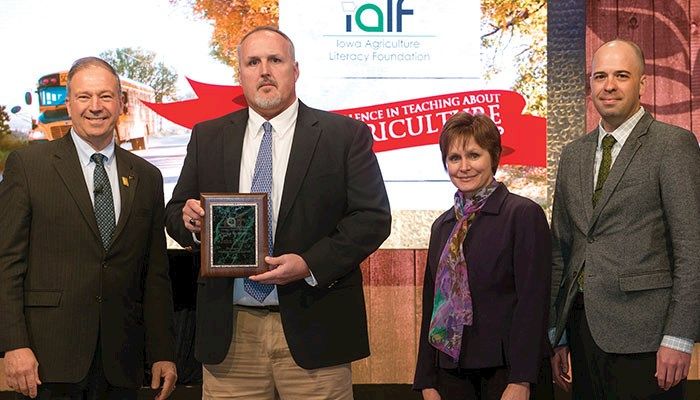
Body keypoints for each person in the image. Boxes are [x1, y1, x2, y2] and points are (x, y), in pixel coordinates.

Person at [164, 26, 391, 399]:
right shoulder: (207, 136)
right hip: (230, 336)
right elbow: (176, 211)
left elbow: (372, 218)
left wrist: (309, 264)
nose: (264, 70)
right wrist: (189, 222)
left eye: (275, 60)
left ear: (295, 70)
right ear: (241, 75)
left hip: (316, 328)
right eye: (253, 62)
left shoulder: (344, 135)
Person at [0, 57, 177, 400]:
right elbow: (6, 263)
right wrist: (13, 344)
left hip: (122, 361)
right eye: (84, 97)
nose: (95, 107)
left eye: (106, 97)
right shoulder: (28, 167)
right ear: (69, 103)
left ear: (121, 104)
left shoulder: (146, 177)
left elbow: (155, 274)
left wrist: (163, 352)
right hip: (47, 362)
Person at [549, 39, 700, 399]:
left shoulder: (673, 145)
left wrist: (679, 337)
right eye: (600, 76)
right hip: (582, 332)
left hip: (648, 338)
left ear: (642, 84)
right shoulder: (573, 155)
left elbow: (692, 248)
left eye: (621, 75)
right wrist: (558, 332)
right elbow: (561, 250)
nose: (609, 85)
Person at [413, 112, 553, 400]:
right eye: (454, 158)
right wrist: (427, 380)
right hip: (450, 371)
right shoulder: (443, 226)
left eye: (474, 155)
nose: (464, 167)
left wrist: (522, 379)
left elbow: (533, 302)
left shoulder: (523, 214)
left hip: (506, 373)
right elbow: (432, 305)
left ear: (494, 157)